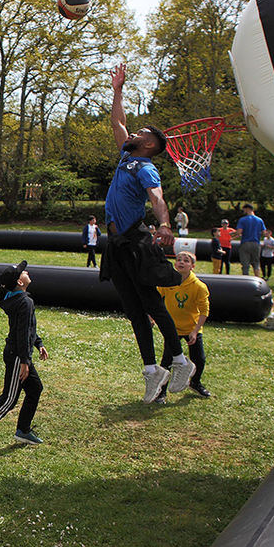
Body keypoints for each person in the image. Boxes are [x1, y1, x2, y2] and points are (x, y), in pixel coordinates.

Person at [100, 63, 195, 403]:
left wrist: (166, 224)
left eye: (142, 133)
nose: (134, 133)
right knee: (134, 310)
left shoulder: (147, 167)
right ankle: (152, 371)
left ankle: (181, 361)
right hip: (116, 244)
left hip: (137, 241)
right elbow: (117, 122)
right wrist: (117, 90)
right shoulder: (126, 159)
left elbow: (157, 197)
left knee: (152, 304)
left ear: (151, 145)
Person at [0, 260, 49, 456]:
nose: (27, 272)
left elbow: (27, 329)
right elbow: (22, 333)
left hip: (20, 354)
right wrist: (24, 361)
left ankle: (23, 430)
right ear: (20, 283)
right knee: (9, 398)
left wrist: (38, 344)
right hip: (17, 356)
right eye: (23, 273)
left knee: (35, 389)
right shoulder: (24, 302)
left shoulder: (18, 299)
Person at [155, 251, 212, 402]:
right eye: (179, 260)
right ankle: (161, 392)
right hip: (172, 329)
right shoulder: (168, 282)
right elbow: (155, 298)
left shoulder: (199, 287)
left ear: (192, 266)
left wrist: (195, 331)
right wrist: (151, 317)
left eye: (186, 261)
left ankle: (195, 383)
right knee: (167, 361)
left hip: (191, 329)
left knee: (199, 359)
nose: (181, 262)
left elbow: (204, 311)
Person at [235, 204, 267, 277]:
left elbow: (239, 232)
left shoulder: (242, 219)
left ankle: (245, 280)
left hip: (245, 243)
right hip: (256, 243)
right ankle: (257, 279)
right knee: (256, 263)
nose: (243, 211)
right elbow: (264, 232)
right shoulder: (260, 220)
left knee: (245, 264)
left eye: (244, 209)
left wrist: (233, 233)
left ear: (247, 209)